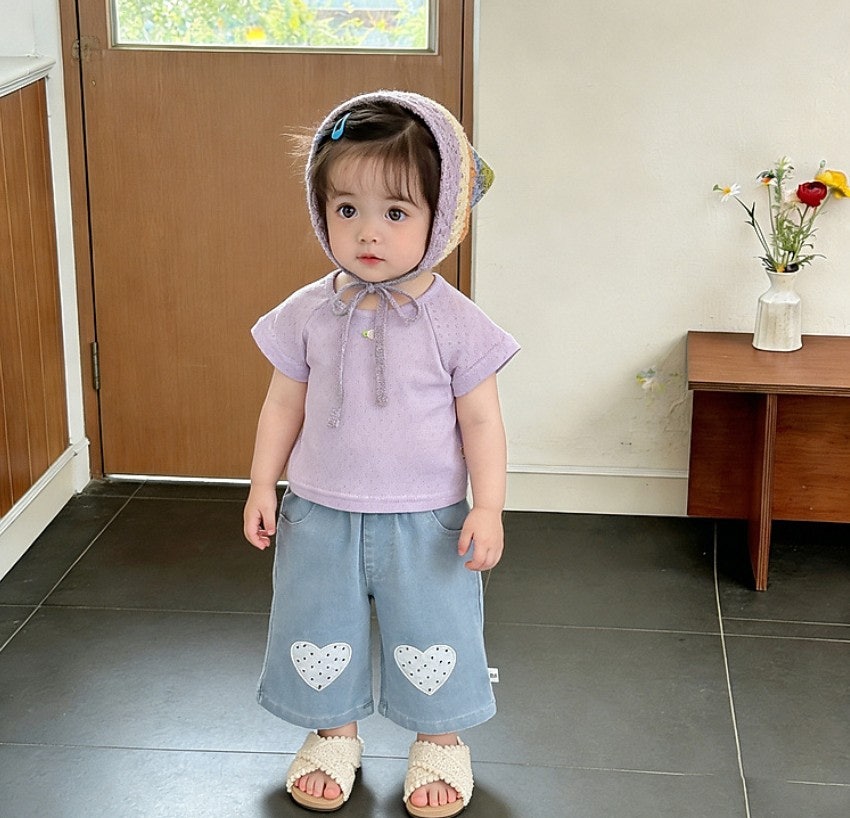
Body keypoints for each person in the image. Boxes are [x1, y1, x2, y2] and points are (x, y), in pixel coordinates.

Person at [243, 90, 519, 817]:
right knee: (316, 624)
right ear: (321, 212)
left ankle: (439, 739)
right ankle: (333, 733)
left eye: (396, 213)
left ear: (441, 217)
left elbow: (482, 422)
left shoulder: (456, 323)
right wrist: (263, 483)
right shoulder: (306, 312)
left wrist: (488, 506)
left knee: (435, 629)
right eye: (347, 209)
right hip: (318, 513)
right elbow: (282, 404)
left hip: (426, 522)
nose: (368, 232)